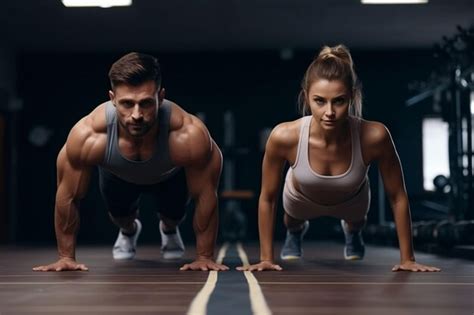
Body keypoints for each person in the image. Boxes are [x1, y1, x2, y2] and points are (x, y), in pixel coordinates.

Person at [238, 45, 440, 272]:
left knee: (356, 222)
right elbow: (267, 198)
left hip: (352, 200)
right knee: (292, 219)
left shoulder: (375, 136)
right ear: (306, 97)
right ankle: (294, 234)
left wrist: (407, 259)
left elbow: (398, 196)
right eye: (320, 101)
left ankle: (353, 233)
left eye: (339, 101)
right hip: (301, 198)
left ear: (352, 97)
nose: (330, 112)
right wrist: (266, 257)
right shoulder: (284, 136)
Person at [33, 52, 228, 272]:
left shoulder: (188, 134)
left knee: (173, 216)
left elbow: (205, 195)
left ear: (161, 97)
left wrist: (204, 256)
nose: (136, 114)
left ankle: (169, 230)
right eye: (127, 103)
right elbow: (68, 196)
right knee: (121, 218)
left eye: (145, 103)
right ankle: (128, 231)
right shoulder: (88, 135)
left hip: (169, 175)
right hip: (118, 175)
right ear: (112, 98)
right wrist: (65, 257)